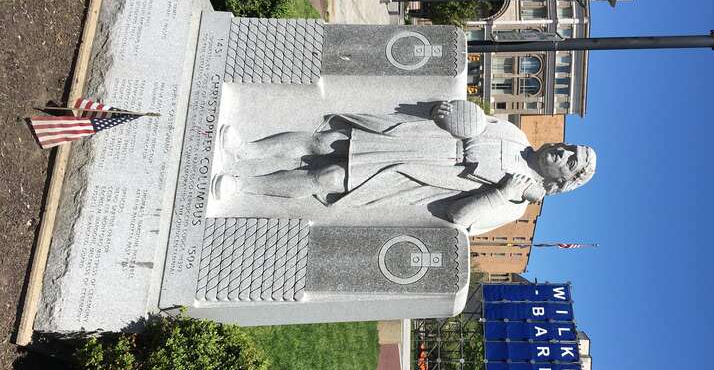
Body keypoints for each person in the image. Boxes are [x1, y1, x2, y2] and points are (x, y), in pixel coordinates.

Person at [211, 101, 596, 235]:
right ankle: (245, 150)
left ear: (562, 181)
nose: (562, 151)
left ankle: (244, 188)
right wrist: (442, 111)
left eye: (569, 160)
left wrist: (500, 194)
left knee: (327, 178)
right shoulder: (512, 132)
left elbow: (459, 216)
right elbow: (463, 120)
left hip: (416, 179)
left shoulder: (518, 203)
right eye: (568, 147)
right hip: (413, 138)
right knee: (324, 141)